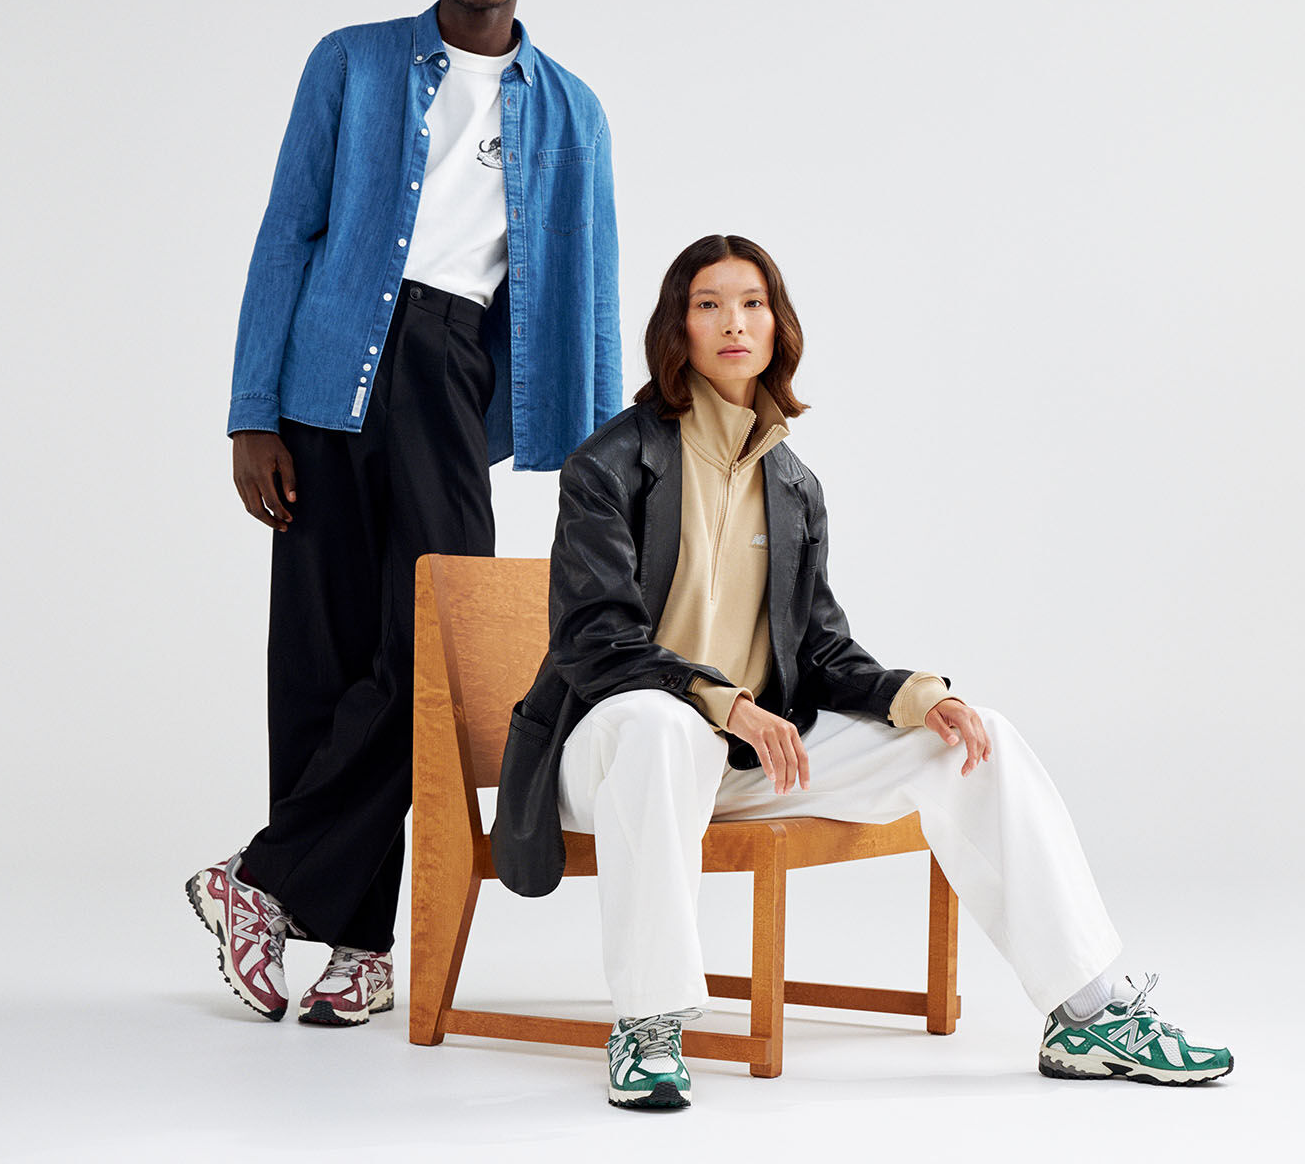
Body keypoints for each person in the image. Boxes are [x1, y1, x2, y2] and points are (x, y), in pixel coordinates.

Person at [492, 235, 1233, 1108]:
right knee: (661, 724)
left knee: (976, 741)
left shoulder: (793, 485)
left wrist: (917, 698)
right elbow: (596, 640)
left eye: (753, 304)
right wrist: (725, 704)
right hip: (613, 758)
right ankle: (648, 1024)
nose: (734, 323)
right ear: (677, 329)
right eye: (709, 305)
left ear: (778, 327)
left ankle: (1088, 1012)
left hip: (738, 761)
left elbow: (819, 651)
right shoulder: (609, 463)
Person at [187, 0, 621, 1027]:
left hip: (448, 369)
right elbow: (287, 230)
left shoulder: (571, 109)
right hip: (327, 374)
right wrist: (252, 412)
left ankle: (260, 878)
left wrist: (596, 456)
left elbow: (588, 283)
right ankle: (356, 945)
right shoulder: (351, 62)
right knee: (319, 660)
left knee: (430, 654)